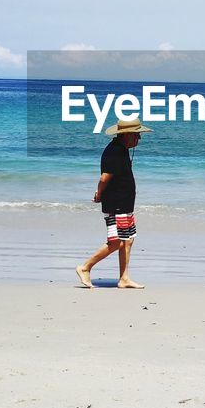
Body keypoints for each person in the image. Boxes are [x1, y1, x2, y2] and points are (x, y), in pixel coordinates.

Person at [76, 117, 150, 289]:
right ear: (126, 135)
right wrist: (99, 194)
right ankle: (85, 267)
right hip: (116, 204)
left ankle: (124, 278)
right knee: (116, 241)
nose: (139, 138)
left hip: (124, 204)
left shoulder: (121, 149)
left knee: (128, 239)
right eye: (136, 135)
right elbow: (104, 178)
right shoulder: (115, 151)